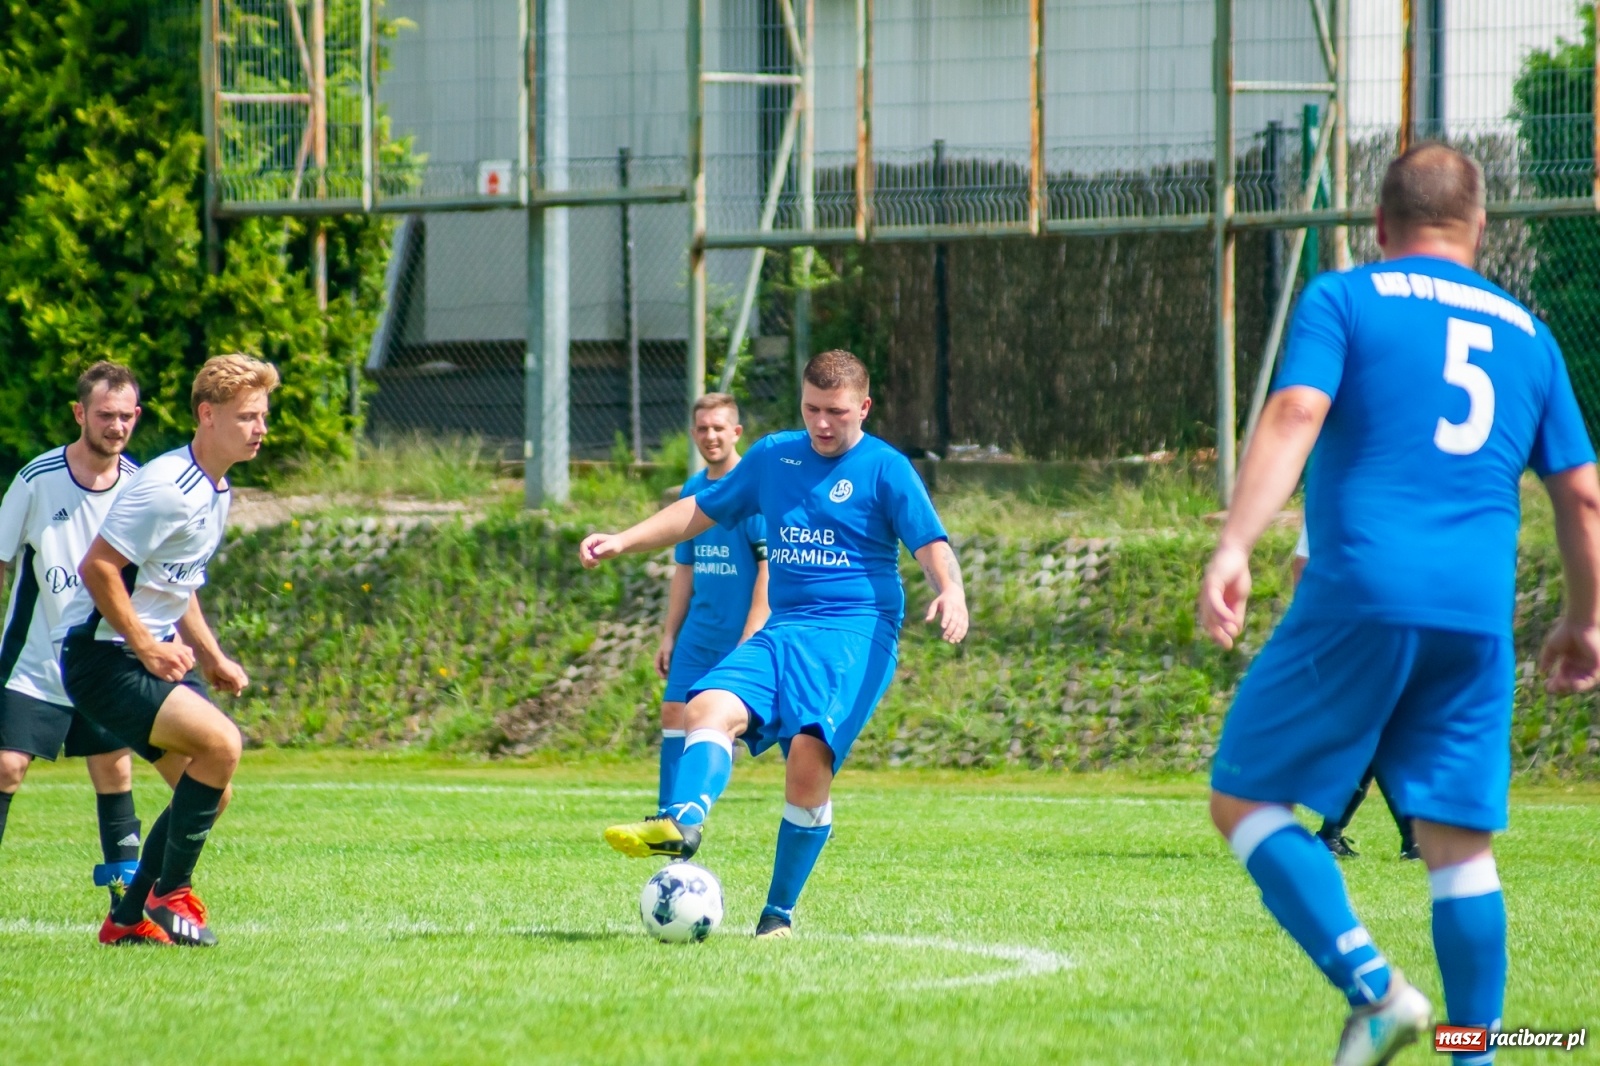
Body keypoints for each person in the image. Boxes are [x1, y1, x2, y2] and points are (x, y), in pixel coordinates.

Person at [1199, 142, 1600, 1066]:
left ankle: (1378, 991)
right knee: (1461, 849)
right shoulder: (1528, 333)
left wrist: (1236, 543)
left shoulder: (1347, 297)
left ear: (1378, 227)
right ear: (1482, 231)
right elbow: (1580, 494)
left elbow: (1297, 412)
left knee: (1244, 798)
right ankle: (1476, 1053)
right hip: (1476, 619)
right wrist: (1584, 617)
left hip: (1363, 592)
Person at [582, 350, 968, 939]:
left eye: (836, 412)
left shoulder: (887, 468)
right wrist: (624, 541)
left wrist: (951, 592)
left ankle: (777, 915)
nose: (821, 424)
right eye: (812, 409)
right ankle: (681, 821)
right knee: (704, 706)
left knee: (808, 765)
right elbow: (699, 510)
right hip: (785, 628)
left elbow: (931, 544)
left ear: (863, 408)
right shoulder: (773, 455)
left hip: (856, 632)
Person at [57, 354, 280, 948]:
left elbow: (176, 583)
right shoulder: (166, 487)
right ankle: (169, 890)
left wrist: (210, 655)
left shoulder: (216, 487)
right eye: (248, 417)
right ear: (207, 416)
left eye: (263, 416)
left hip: (146, 656)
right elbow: (98, 567)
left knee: (211, 791)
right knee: (221, 745)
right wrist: (147, 647)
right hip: (103, 660)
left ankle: (126, 919)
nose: (261, 428)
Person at [0, 363, 154, 936]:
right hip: (33, 661)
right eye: (104, 414)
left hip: (102, 661)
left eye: (125, 416)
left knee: (114, 771)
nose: (115, 426)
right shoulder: (37, 479)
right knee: (6, 766)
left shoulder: (142, 487)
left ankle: (126, 907)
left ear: (136, 417)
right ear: (79, 414)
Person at [655, 393, 769, 813]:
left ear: (736, 432)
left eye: (719, 427)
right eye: (702, 428)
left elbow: (767, 572)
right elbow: (684, 567)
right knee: (673, 712)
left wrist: (751, 635)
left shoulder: (751, 492)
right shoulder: (693, 489)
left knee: (769, 728)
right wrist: (669, 634)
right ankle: (669, 814)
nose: (710, 436)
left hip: (741, 634)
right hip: (699, 632)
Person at [1292, 529, 1418, 861]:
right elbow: (1302, 566)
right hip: (1359, 635)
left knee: (1375, 735)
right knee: (1381, 734)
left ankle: (1332, 834)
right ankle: (1412, 836)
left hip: (1374, 632)